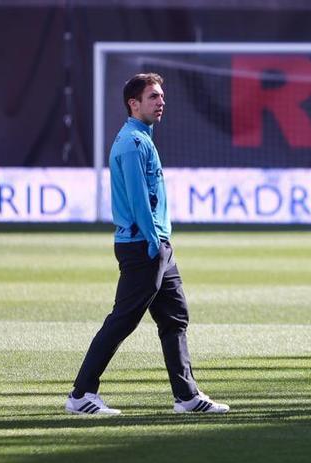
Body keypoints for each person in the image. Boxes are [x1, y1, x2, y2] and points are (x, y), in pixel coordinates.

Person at [65, 73, 228, 415]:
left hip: (156, 246)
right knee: (123, 319)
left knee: (175, 316)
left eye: (161, 96)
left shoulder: (142, 138)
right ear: (133, 103)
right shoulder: (132, 143)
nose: (161, 101)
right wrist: (156, 244)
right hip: (144, 245)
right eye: (153, 96)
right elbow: (140, 202)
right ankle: (81, 394)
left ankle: (186, 396)